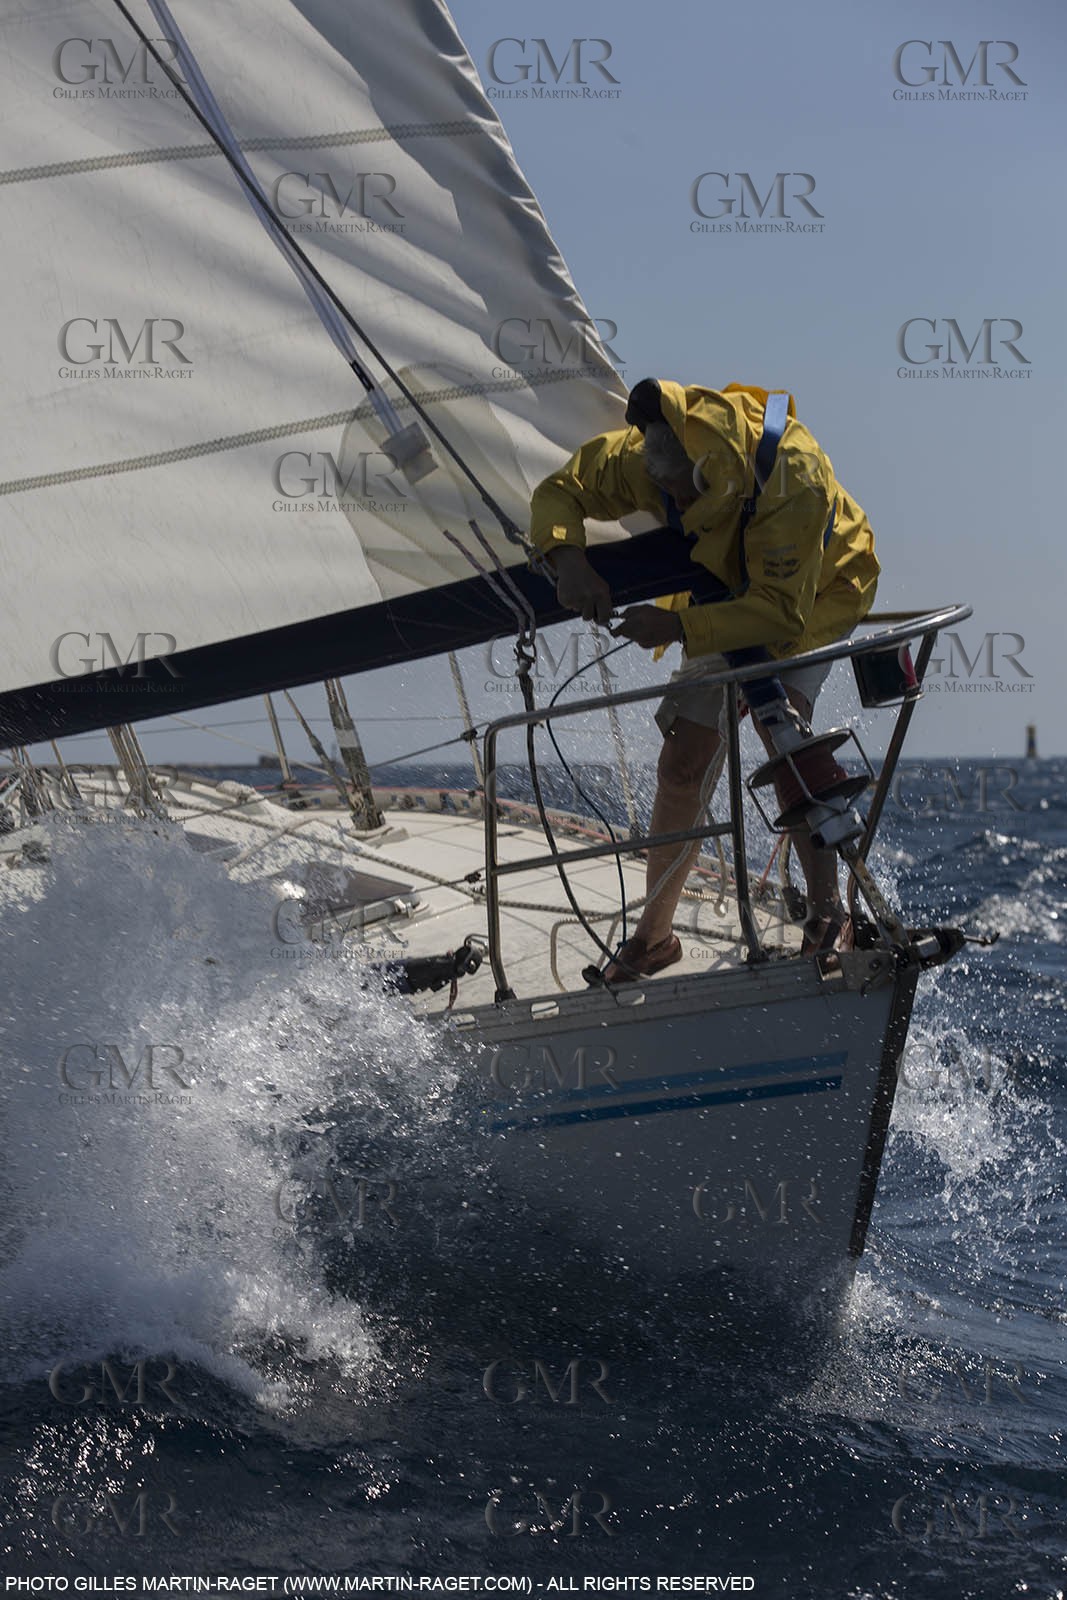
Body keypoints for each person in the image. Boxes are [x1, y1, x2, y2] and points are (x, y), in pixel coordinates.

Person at [529, 377, 880, 980]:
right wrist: (568, 560)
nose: (670, 505)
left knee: (782, 730)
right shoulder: (649, 457)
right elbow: (563, 490)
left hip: (817, 590)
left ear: (712, 475)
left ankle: (829, 918)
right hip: (719, 594)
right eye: (660, 490)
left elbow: (778, 613)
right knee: (682, 764)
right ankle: (655, 937)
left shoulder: (793, 473)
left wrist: (677, 627)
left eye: (679, 495)